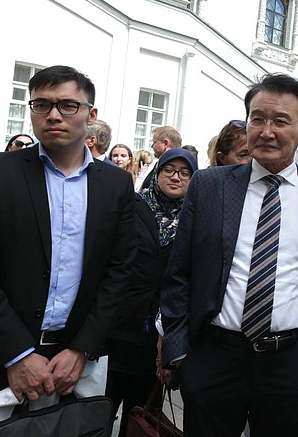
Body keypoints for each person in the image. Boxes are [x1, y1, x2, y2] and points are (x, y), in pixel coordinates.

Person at [160, 73, 298, 437]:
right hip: (213, 358)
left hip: (291, 363)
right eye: (258, 119)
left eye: (281, 121)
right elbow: (178, 271)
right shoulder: (210, 186)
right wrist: (180, 349)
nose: (267, 131)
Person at [0, 65, 136, 422]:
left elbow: (120, 271)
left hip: (74, 367)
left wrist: (83, 348)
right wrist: (16, 354)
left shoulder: (115, 184)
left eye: (68, 105)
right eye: (42, 105)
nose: (54, 115)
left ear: (91, 114)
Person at [106, 148, 197, 435]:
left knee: (142, 415)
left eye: (185, 172)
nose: (176, 177)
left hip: (161, 330)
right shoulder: (133, 204)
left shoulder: (195, 217)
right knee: (101, 406)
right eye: (169, 170)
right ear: (157, 173)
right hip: (121, 323)